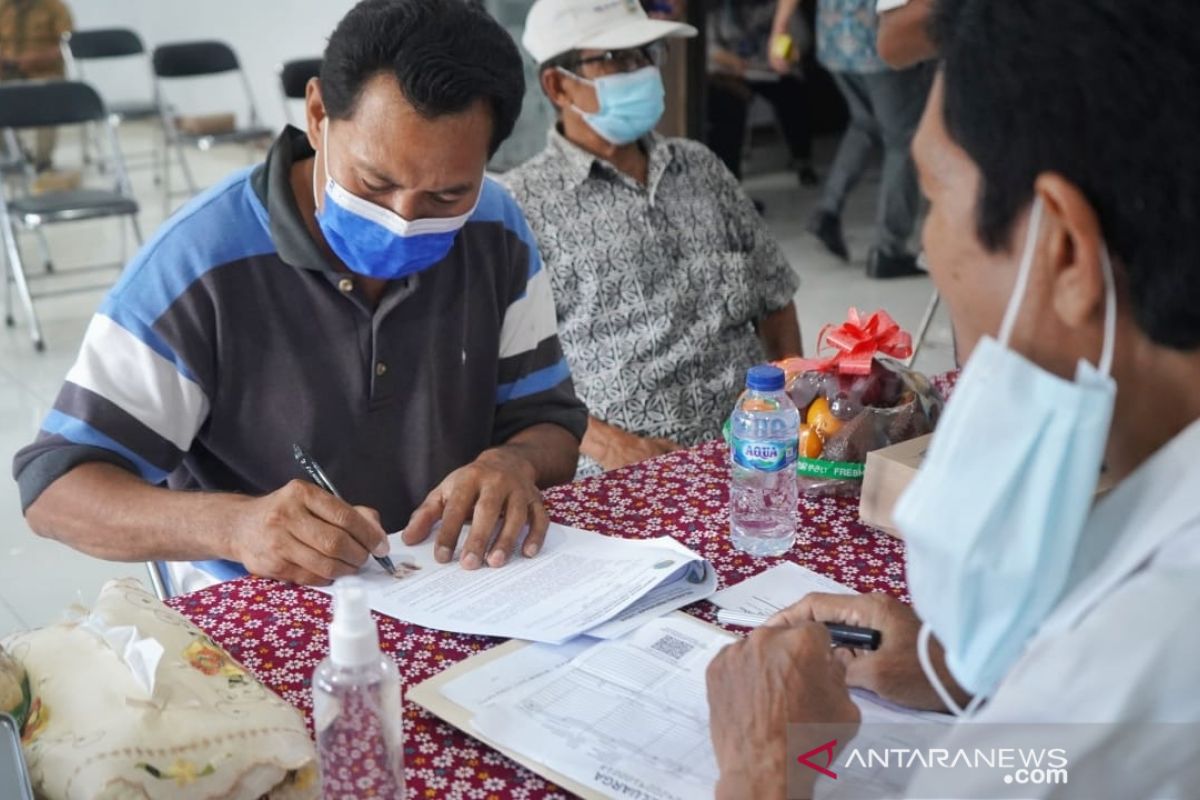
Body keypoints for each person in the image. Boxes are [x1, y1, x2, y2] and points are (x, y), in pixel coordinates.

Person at [707, 0, 1200, 796]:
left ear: (1065, 248)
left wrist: (765, 767)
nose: (931, 243)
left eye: (933, 195)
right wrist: (968, 673)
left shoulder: (1144, 653)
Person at [11, 0, 587, 592]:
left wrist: (511, 463)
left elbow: (547, 421)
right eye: (374, 183)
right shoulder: (201, 262)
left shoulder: (495, 228)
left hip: (455, 583)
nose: (403, 220)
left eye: (445, 197)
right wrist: (235, 527)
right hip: (265, 602)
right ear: (317, 115)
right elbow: (55, 487)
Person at [505, 0, 804, 476]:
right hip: (624, 474)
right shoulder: (520, 203)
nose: (641, 70)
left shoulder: (699, 166)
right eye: (617, 59)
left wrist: (791, 406)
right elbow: (506, 375)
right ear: (558, 84)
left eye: (646, 54)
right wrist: (612, 447)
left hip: (752, 454)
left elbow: (775, 298)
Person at [771, 0, 932, 278]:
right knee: (903, 140)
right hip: (880, 42)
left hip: (836, 40)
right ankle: (888, 249)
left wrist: (780, 28)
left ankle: (827, 211)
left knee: (865, 123)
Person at [706, 0, 818, 186]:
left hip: (770, 69)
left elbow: (802, 40)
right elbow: (707, 45)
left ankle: (802, 159)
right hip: (730, 70)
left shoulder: (781, 6)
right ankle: (729, 178)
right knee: (727, 103)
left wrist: (784, 54)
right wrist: (728, 60)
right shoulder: (717, 7)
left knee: (793, 93)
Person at [0, 0, 72, 171]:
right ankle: (15, 155)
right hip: (7, 72)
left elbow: (66, 45)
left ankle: (43, 161)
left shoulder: (55, 7)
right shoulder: (3, 6)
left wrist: (35, 59)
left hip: (44, 72)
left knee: (48, 96)